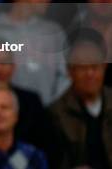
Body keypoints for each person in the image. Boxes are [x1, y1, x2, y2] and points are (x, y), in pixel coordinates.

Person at [48, 30, 112, 169]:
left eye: (95, 66)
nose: (90, 74)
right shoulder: (55, 114)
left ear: (105, 66)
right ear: (69, 71)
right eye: (82, 67)